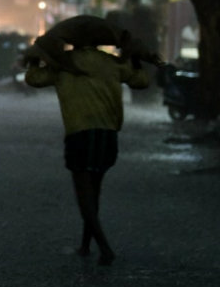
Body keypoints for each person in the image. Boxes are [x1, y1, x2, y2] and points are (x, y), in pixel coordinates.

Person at [23, 28, 152, 266]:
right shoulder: (111, 63)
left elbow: (33, 79)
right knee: (95, 191)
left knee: (84, 195)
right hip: (107, 134)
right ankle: (85, 245)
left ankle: (104, 248)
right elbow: (141, 81)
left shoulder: (63, 65)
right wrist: (133, 55)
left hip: (80, 133)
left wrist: (34, 57)